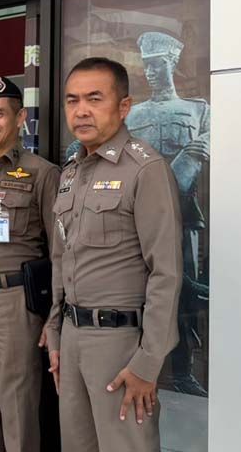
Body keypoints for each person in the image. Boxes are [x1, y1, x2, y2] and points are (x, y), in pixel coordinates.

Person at [44, 57, 182, 452]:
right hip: (72, 339)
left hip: (121, 345)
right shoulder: (70, 174)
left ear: (123, 107)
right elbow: (61, 258)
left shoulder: (145, 169)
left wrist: (148, 362)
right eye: (72, 100)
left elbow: (166, 273)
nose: (81, 110)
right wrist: (56, 333)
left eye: (94, 99)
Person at [0, 77, 59, 452]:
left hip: (15, 303)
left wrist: (55, 315)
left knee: (17, 405)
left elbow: (60, 251)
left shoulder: (42, 173)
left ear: (20, 118)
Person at [124, 32, 209, 397]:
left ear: (172, 64)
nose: (151, 72)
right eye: (146, 66)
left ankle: (183, 370)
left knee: (184, 294)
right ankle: (143, 366)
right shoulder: (133, 115)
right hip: (138, 218)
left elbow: (207, 146)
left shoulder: (199, 110)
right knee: (139, 290)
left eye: (157, 65)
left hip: (184, 215)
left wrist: (186, 163)